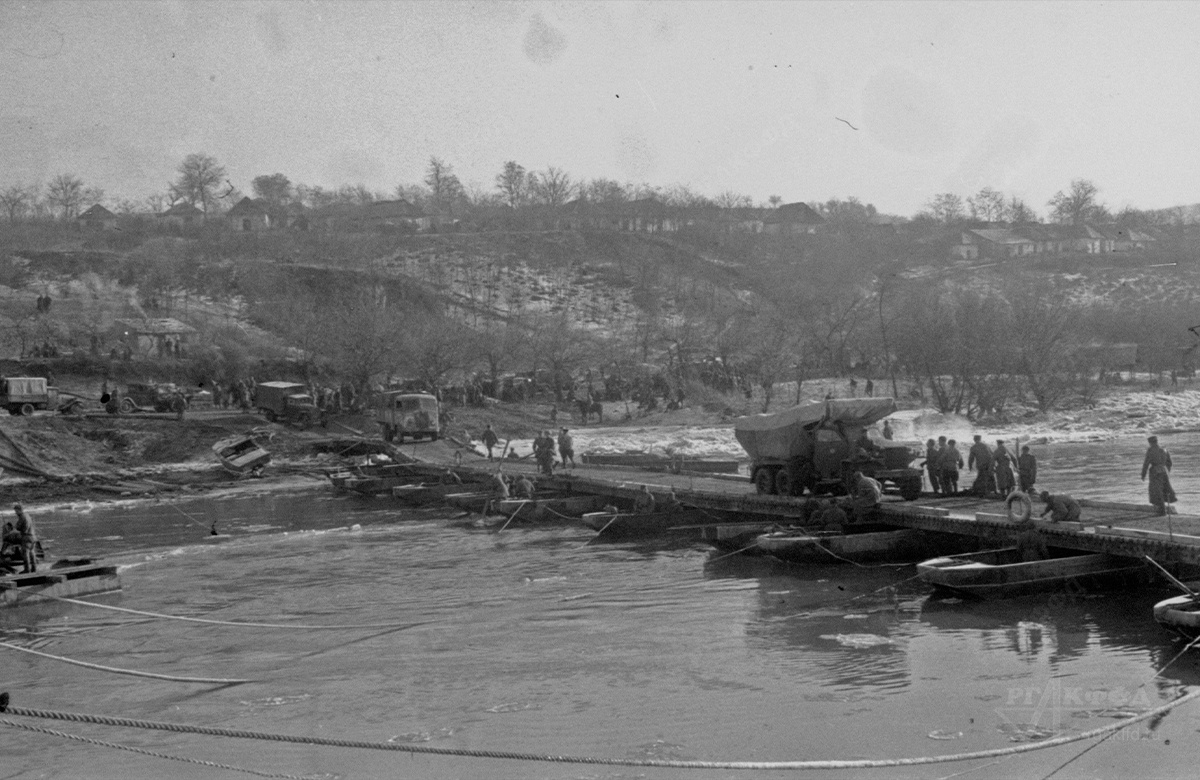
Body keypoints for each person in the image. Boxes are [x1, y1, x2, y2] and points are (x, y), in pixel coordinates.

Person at [1141, 435, 1176, 515]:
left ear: (1150, 442)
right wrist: (1168, 470)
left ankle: (1162, 511)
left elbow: (1146, 463)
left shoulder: (1150, 450)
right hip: (1164, 471)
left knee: (1156, 491)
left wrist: (1143, 474)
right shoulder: (1164, 449)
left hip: (1155, 472)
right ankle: (1164, 509)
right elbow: (1169, 463)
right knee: (1165, 489)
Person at [11, 503, 36, 573]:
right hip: (33, 536)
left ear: (19, 510)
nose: (15, 513)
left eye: (16, 511)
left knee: (25, 554)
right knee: (32, 553)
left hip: (26, 537)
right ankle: (34, 568)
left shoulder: (22, 516)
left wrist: (14, 528)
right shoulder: (27, 515)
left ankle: (27, 569)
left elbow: (19, 527)